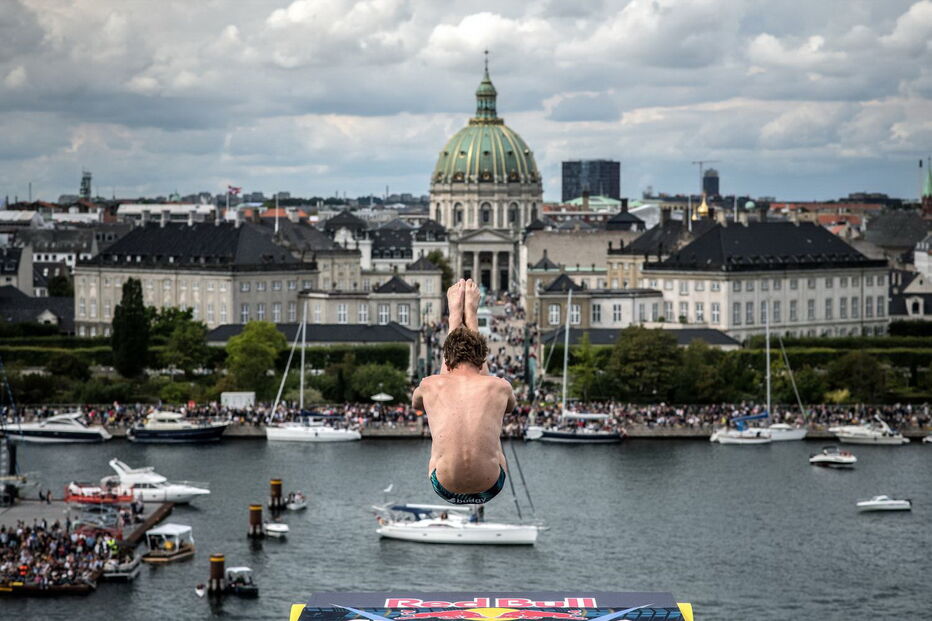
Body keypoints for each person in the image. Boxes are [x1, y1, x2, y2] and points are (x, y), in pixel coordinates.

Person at [412, 279, 515, 505]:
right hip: (491, 486)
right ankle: (470, 316)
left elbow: (417, 405)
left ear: (447, 362)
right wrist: (472, 321)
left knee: (440, 389)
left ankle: (456, 318)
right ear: (482, 360)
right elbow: (509, 406)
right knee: (489, 396)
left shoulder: (429, 384)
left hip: (444, 486)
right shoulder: (500, 386)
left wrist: (454, 321)